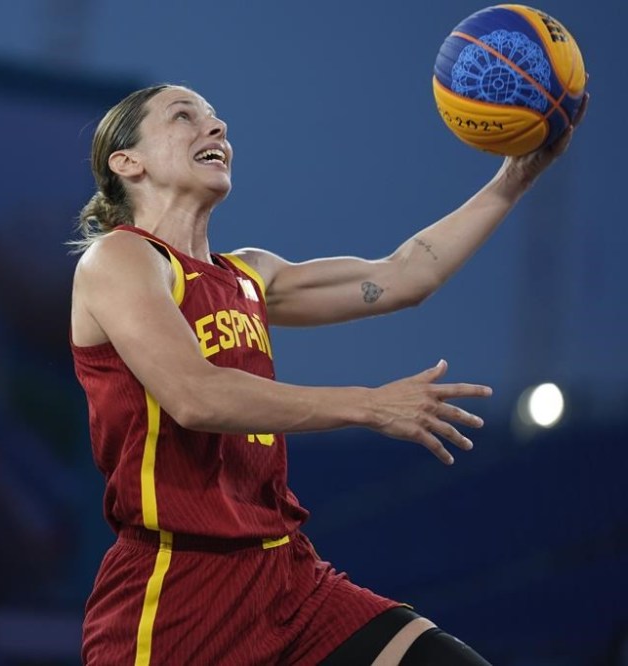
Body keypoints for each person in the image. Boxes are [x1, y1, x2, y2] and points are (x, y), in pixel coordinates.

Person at [70, 84, 587, 665]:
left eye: (217, 119)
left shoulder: (248, 276)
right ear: (126, 162)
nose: (215, 129)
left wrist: (516, 175)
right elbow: (195, 394)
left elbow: (403, 276)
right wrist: (369, 405)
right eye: (184, 116)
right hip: (176, 587)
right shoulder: (119, 259)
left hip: (285, 574)